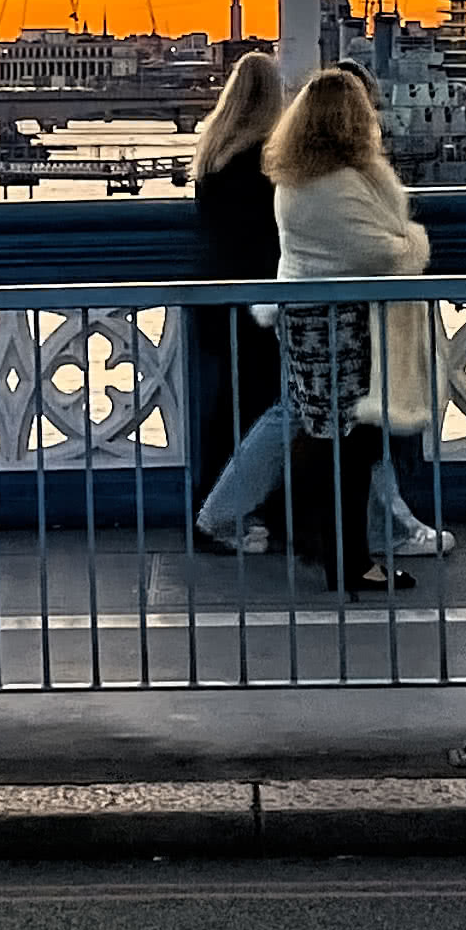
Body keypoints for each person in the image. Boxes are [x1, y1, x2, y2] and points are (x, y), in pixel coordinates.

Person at [263, 69, 434, 598]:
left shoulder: (295, 177)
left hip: (304, 319)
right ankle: (350, 560)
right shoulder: (337, 184)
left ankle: (333, 549)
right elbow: (381, 253)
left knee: (327, 440)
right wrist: (413, 241)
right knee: (351, 447)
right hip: (343, 327)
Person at [185, 53, 292, 555]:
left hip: (214, 296)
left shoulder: (214, 153)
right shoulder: (267, 160)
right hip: (261, 300)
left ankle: (217, 507)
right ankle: (230, 514)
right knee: (266, 410)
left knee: (226, 409)